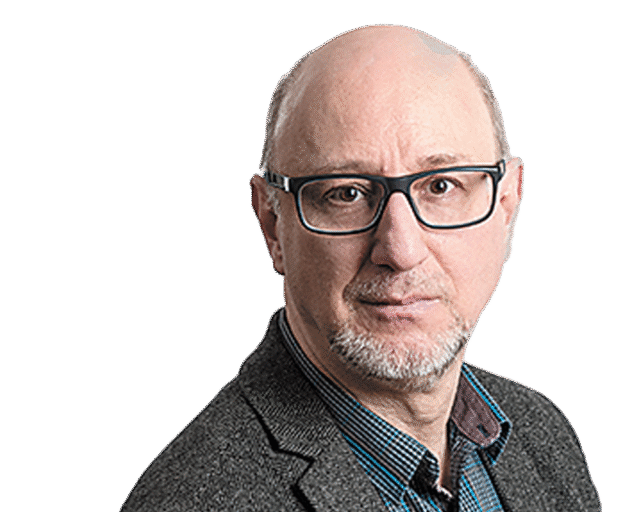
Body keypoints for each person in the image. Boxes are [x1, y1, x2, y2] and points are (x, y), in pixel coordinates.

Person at [121, 25, 600, 512]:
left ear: (508, 203)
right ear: (272, 223)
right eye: (346, 193)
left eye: (441, 186)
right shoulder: (195, 500)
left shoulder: (544, 438)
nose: (400, 250)